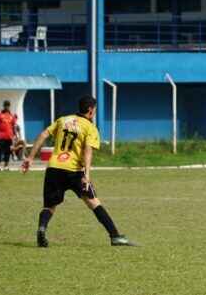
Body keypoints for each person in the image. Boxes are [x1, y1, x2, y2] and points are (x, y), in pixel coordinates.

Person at [22, 96, 135, 248]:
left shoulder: (63, 120)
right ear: (90, 110)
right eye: (94, 110)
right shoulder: (90, 128)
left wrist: (29, 158)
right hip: (74, 171)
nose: (94, 112)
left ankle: (42, 228)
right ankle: (115, 236)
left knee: (49, 206)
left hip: (54, 168)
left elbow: (43, 135)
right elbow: (88, 151)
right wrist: (87, 175)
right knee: (94, 203)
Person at [0, 100, 18, 171]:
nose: (6, 106)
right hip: (0, 136)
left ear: (9, 106)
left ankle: (6, 166)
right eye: (5, 105)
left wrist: (15, 136)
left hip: (9, 137)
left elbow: (14, 126)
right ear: (3, 106)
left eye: (8, 105)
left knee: (8, 151)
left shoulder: (12, 115)